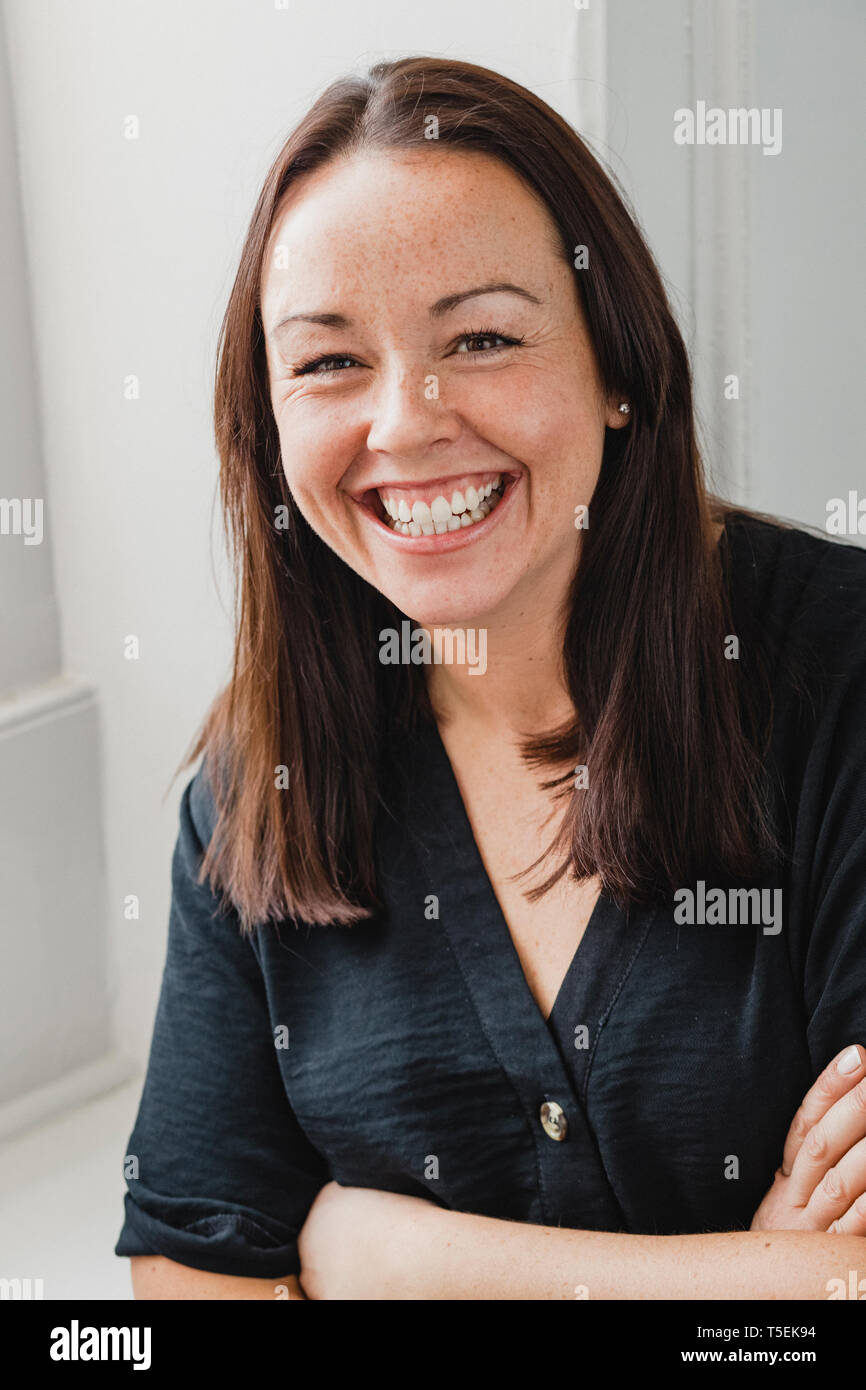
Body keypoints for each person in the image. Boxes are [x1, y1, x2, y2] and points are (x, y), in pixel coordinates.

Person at [116, 56, 866, 1299]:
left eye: (480, 338)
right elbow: (188, 1277)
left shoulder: (835, 671)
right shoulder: (261, 782)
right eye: (327, 362)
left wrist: (389, 1262)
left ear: (617, 367)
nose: (405, 423)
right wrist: (750, 1279)